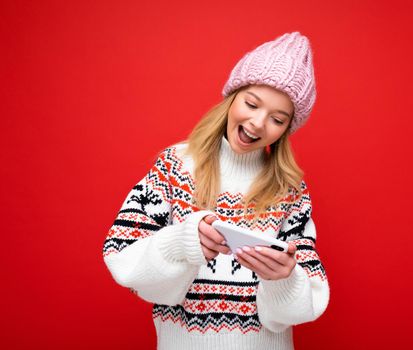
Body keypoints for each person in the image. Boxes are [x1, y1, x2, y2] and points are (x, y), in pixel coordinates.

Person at [102, 31, 329, 350]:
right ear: (232, 97)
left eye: (277, 119)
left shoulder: (289, 191)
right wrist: (182, 241)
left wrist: (283, 280)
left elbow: (305, 305)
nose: (258, 123)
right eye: (251, 103)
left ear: (286, 130)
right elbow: (124, 260)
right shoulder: (175, 167)